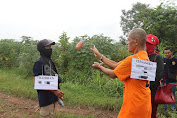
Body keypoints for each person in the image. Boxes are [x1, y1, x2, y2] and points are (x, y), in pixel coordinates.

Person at [90, 28, 151, 118]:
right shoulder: (144, 57)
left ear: (136, 41)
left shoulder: (132, 60)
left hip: (133, 107)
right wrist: (99, 55)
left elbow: (113, 74)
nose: (127, 43)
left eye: (128, 40)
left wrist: (100, 67)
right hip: (144, 104)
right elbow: (116, 65)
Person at [33, 39, 64, 118]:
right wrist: (55, 91)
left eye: (50, 46)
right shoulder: (39, 62)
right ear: (42, 49)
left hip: (52, 97)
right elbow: (36, 83)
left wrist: (57, 94)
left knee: (51, 115)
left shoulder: (49, 61)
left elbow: (52, 78)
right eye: (47, 47)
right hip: (45, 98)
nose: (50, 48)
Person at [146, 34, 164, 118]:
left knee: (152, 110)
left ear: (154, 45)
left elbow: (159, 74)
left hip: (153, 89)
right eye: (146, 43)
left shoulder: (158, 57)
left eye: (149, 44)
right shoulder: (142, 56)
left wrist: (150, 85)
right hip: (142, 89)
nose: (147, 45)